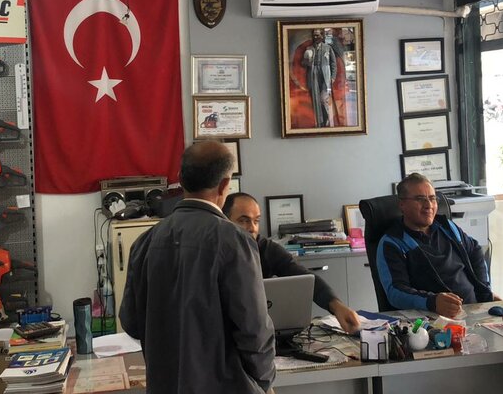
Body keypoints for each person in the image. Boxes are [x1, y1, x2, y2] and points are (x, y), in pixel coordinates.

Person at [119, 141, 275, 394]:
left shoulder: (145, 241)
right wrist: (263, 382)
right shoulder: (234, 241)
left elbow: (131, 322)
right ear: (225, 185)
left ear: (181, 179)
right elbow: (254, 330)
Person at [223, 192, 362, 334]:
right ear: (225, 221)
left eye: (256, 221)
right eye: (243, 221)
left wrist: (337, 306)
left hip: (259, 329)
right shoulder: (216, 251)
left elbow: (305, 277)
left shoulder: (266, 248)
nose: (252, 228)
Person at [375, 173, 495, 317]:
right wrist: (432, 301)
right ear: (402, 204)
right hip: (432, 318)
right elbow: (396, 292)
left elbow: (475, 250)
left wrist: (485, 291)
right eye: (420, 199)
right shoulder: (393, 242)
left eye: (432, 198)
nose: (428, 205)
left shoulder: (447, 227)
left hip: (473, 311)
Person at [300, 28, 339, 128]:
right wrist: (307, 61)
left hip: (325, 75)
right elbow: (302, 63)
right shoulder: (309, 48)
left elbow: (333, 64)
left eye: (317, 35)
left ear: (322, 36)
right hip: (313, 75)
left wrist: (333, 77)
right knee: (315, 99)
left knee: (323, 99)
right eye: (314, 35)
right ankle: (319, 123)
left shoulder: (328, 48)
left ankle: (327, 119)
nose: (315, 37)